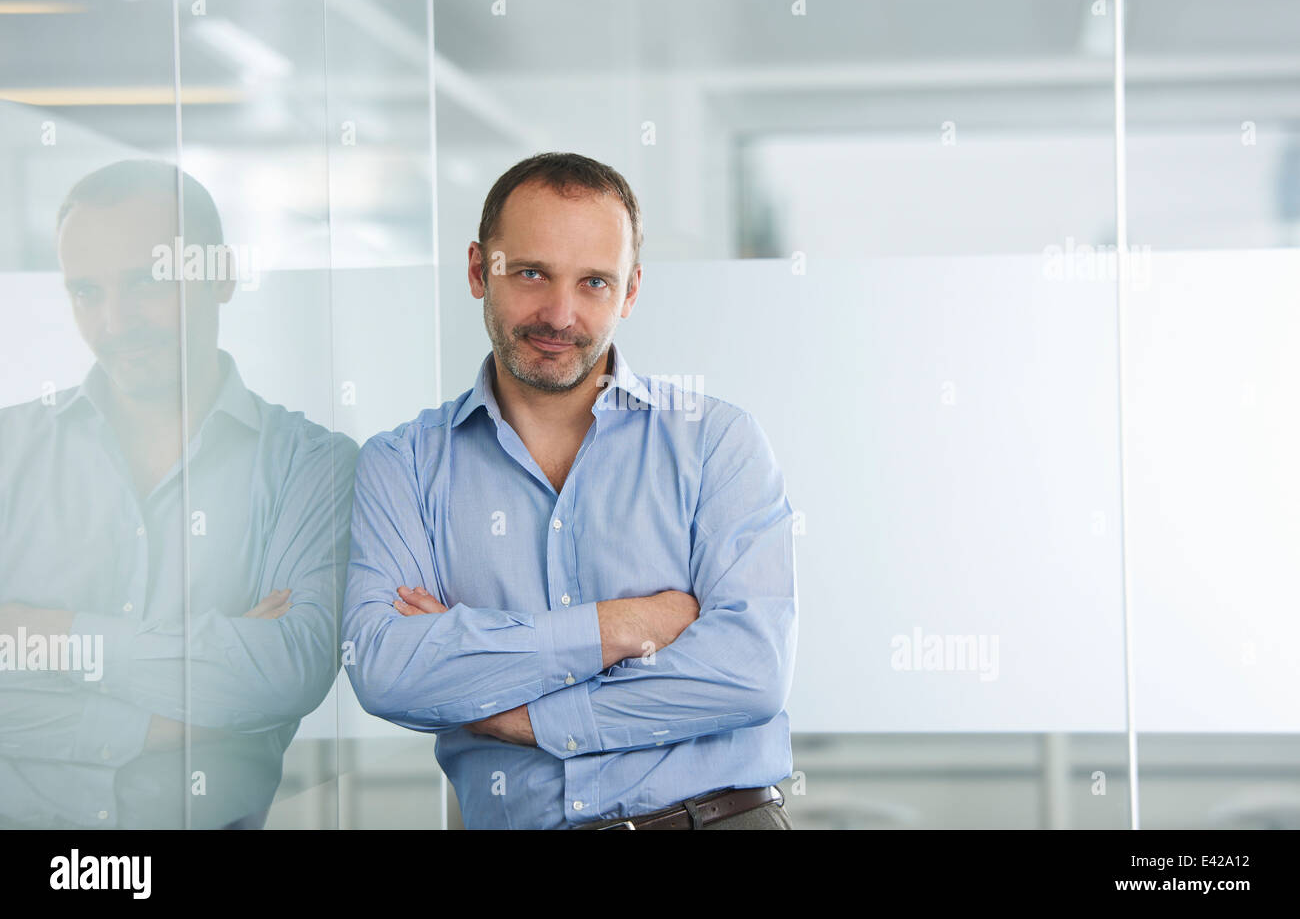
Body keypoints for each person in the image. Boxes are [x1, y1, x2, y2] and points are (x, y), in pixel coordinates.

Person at [344, 151, 798, 829]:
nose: (559, 313)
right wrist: (623, 626)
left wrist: (523, 714)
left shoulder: (716, 443)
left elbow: (749, 673)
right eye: (531, 273)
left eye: (594, 283)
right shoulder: (402, 465)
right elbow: (386, 670)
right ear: (479, 269)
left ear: (631, 292)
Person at [0, 160, 357, 828]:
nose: (115, 322)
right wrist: (177, 718)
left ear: (220, 274)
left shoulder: (313, 467)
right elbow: (248, 688)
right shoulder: (8, 452)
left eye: (145, 282)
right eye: (86, 292)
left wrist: (55, 637)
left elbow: (287, 673)